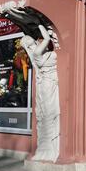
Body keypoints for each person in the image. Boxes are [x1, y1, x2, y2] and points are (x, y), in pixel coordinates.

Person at [21, 25, 60, 163]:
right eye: (29, 38)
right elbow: (47, 38)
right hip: (48, 84)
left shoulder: (36, 54)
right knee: (49, 113)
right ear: (29, 43)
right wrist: (40, 24)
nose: (31, 38)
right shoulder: (37, 52)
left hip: (47, 84)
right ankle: (48, 147)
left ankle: (48, 147)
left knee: (48, 114)